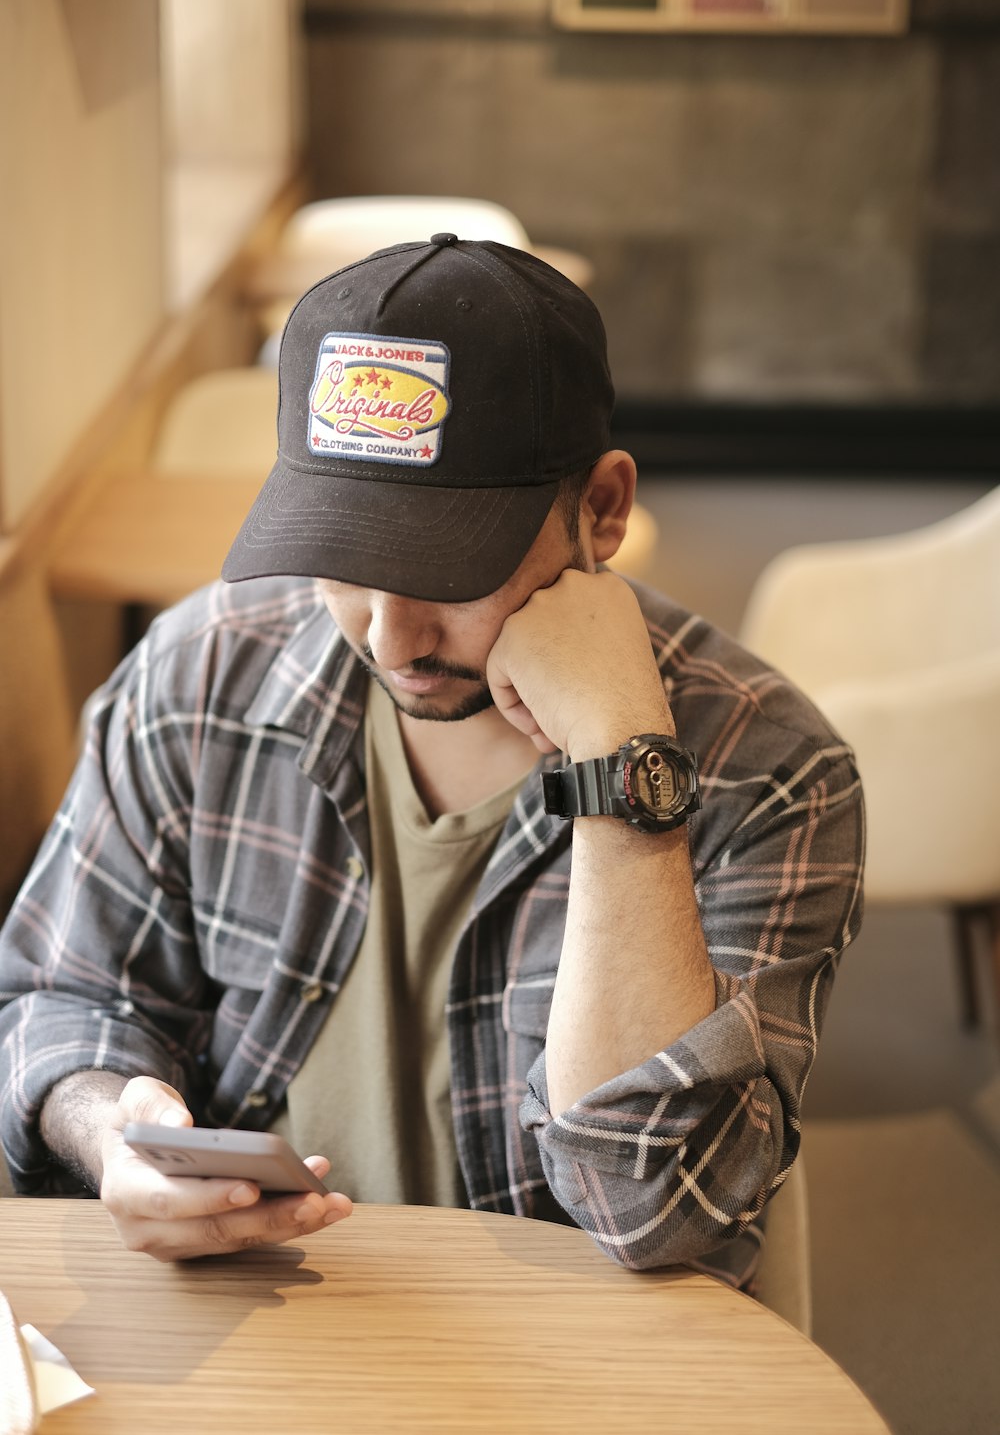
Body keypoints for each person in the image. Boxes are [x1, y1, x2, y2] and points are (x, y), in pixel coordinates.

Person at [0, 234, 864, 1284]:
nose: (389, 640)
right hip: (260, 1321)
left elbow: (656, 1210)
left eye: (450, 572)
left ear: (599, 509)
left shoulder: (767, 767)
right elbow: (61, 998)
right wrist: (114, 1134)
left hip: (565, 1347)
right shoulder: (197, 675)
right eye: (346, 563)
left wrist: (620, 768)